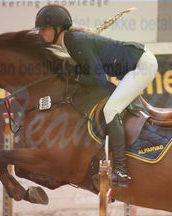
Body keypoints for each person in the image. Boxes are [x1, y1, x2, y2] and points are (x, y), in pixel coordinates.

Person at [34, 4, 158, 187]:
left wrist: (73, 75)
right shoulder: (70, 41)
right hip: (135, 65)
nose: (39, 34)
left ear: (57, 28)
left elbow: (97, 78)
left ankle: (121, 171)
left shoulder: (74, 41)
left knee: (111, 110)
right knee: (112, 106)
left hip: (142, 65)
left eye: (43, 30)